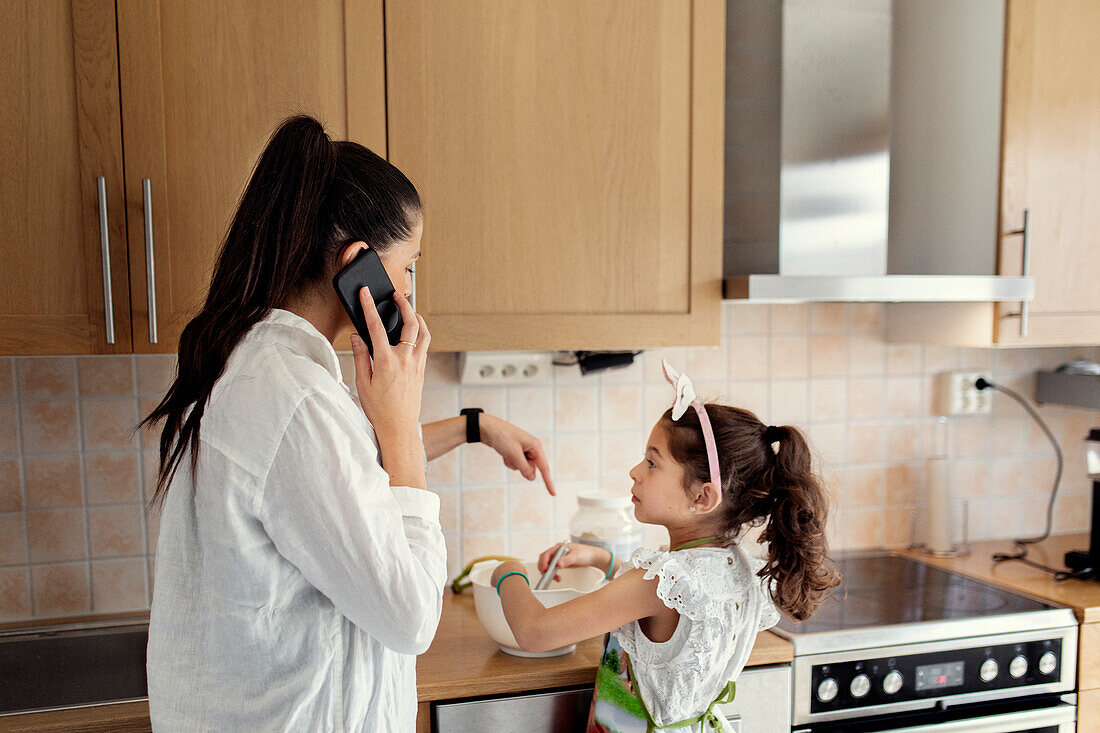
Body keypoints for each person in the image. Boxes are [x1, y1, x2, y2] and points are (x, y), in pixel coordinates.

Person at [143, 115, 552, 732]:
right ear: (357, 265)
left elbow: (346, 474)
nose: (410, 292)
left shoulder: (257, 363)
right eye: (408, 267)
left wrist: (474, 426)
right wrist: (400, 423)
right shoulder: (296, 401)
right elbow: (413, 617)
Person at [491, 360, 839, 732]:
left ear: (703, 497)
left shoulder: (658, 582)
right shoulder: (737, 568)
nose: (635, 471)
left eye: (652, 463)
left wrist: (507, 572)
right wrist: (605, 561)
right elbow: (673, 613)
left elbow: (534, 632)